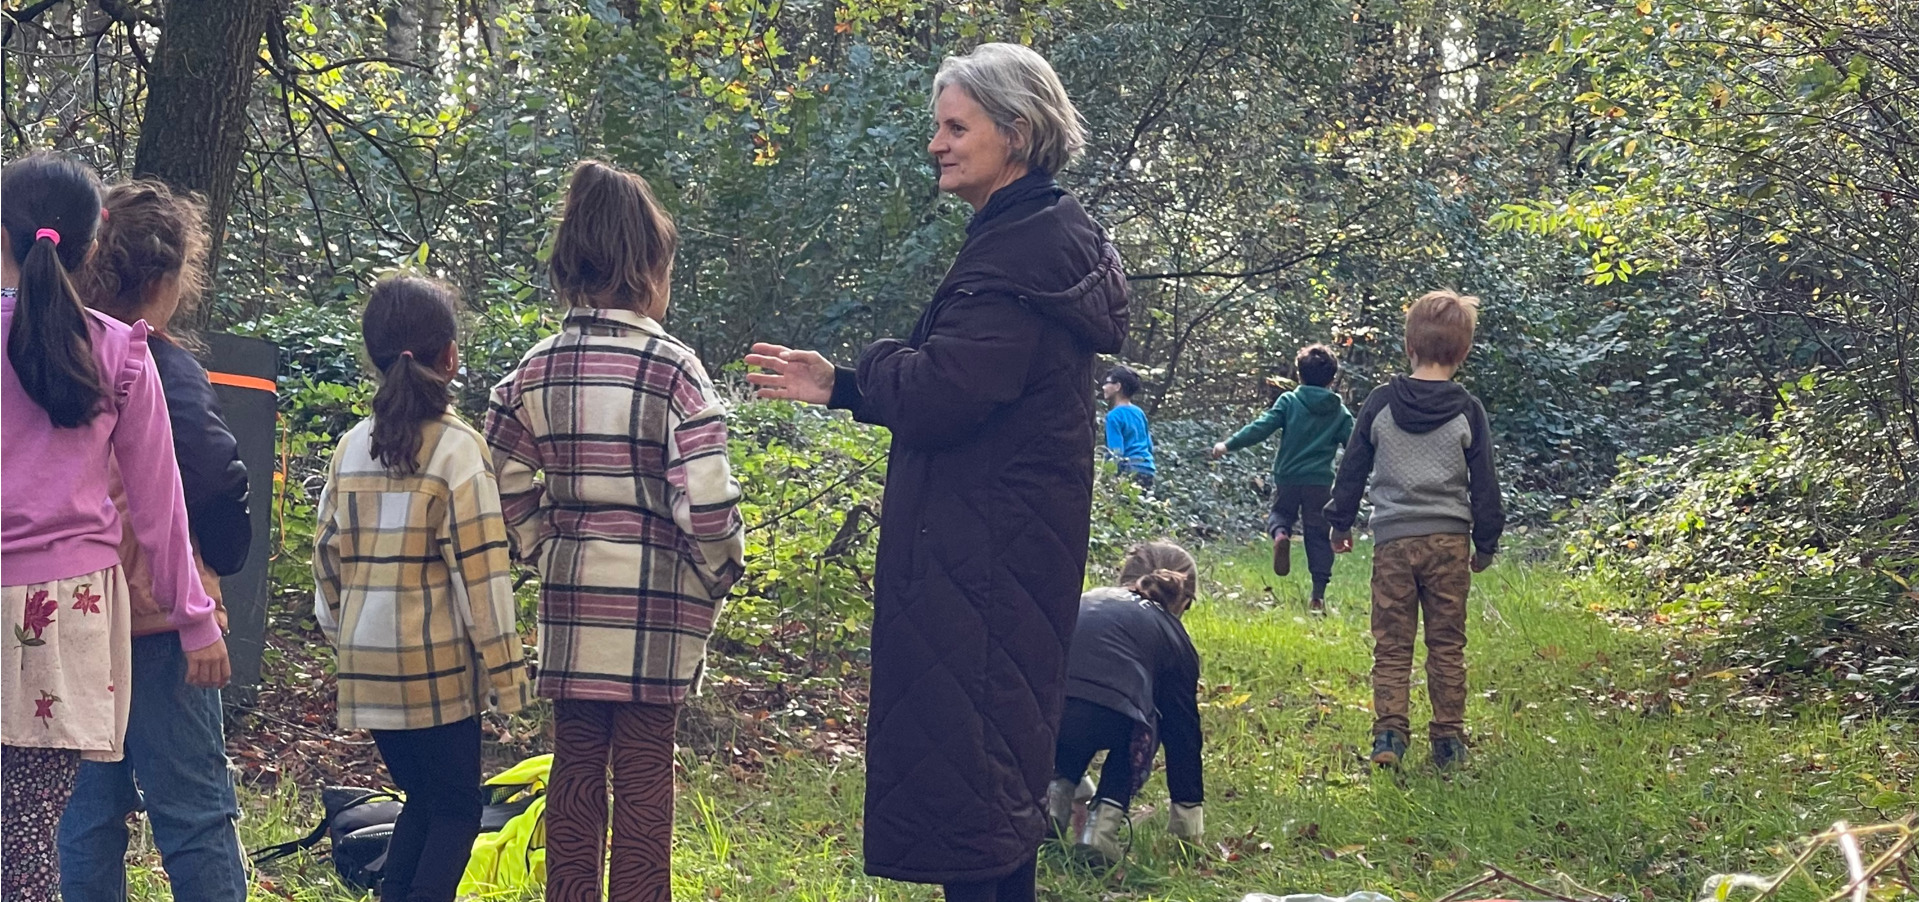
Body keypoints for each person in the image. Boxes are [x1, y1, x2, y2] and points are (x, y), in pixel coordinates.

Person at [744, 43, 1129, 902]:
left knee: (976, 804)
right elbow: (963, 384)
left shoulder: (1019, 256)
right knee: (987, 792)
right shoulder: (1032, 241)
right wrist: (841, 385)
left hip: (983, 567)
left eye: (957, 127)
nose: (937, 144)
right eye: (938, 127)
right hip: (995, 558)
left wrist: (870, 366)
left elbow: (947, 391)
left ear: (1016, 133)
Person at [484, 160, 745, 902]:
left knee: (573, 766)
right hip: (657, 600)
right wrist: (721, 567)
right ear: (650, 267)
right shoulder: (675, 371)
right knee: (642, 772)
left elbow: (496, 475)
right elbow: (708, 502)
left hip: (571, 596)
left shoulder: (534, 371)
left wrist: (540, 541)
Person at [0, 152, 228, 902]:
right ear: (92, 245)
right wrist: (196, 621)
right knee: (36, 834)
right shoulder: (122, 352)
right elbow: (163, 510)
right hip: (74, 618)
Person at [58, 180, 252, 902]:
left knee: (84, 815)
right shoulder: (156, 364)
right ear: (169, 281)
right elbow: (208, 476)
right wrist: (223, 557)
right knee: (195, 813)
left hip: (70, 615)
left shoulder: (52, 350)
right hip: (162, 618)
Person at [314, 275, 531, 902]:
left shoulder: (352, 446)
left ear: (373, 355)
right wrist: (505, 674)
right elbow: (481, 574)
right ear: (451, 356)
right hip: (433, 668)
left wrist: (345, 635)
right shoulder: (459, 450)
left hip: (366, 664)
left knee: (423, 799)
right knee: (458, 811)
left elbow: (326, 560)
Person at [1325, 291, 1505, 770]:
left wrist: (1340, 521)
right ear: (1462, 352)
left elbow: (1353, 466)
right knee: (1447, 644)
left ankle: (1388, 736)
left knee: (1392, 644)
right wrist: (1485, 543)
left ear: (1410, 346)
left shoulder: (1381, 403)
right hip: (1449, 542)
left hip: (1393, 542)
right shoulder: (1468, 410)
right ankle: (1447, 742)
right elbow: (1485, 482)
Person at [1048, 541, 1204, 865]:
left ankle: (1051, 804)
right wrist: (1188, 825)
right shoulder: (1175, 638)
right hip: (1116, 715)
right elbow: (1183, 736)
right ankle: (1100, 831)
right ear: (1182, 599)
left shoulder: (1087, 599)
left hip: (1052, 712)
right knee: (1150, 720)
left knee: (1075, 712)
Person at [1209, 344, 1354, 613]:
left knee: (1280, 514)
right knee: (1318, 536)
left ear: (1299, 374)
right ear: (1332, 379)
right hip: (1320, 483)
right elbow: (1355, 448)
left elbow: (1260, 428)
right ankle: (1318, 596)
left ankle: (1281, 535)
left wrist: (1227, 445)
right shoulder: (1340, 412)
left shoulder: (1289, 402)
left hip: (1288, 478)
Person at [1101, 364, 1156, 489]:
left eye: (1107, 383)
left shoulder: (1114, 416)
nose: (1104, 387)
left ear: (1117, 386)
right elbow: (1149, 445)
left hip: (1130, 471)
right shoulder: (1139, 412)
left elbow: (1116, 453)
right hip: (1148, 469)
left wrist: (1108, 477)